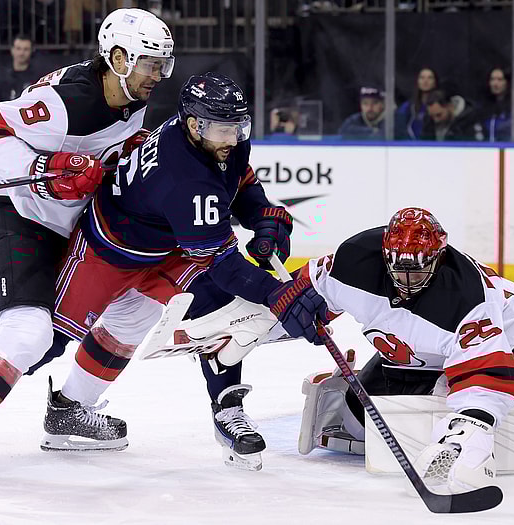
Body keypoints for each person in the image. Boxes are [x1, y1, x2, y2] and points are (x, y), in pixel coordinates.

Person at [0, 7, 174, 486]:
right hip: (14, 218)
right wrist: (49, 170)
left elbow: (115, 141)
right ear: (118, 57)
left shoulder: (127, 93)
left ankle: (56, 411)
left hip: (65, 226)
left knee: (87, 323)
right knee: (28, 331)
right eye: (150, 63)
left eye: (163, 64)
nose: (158, 75)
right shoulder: (68, 101)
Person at [43, 72, 329, 472]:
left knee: (215, 306)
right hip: (106, 249)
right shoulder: (183, 179)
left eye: (238, 127)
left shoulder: (216, 142)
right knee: (40, 339)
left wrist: (262, 216)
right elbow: (227, 266)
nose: (233, 138)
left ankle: (227, 410)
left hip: (165, 244)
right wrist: (281, 295)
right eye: (222, 129)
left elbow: (238, 181)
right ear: (194, 125)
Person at [297, 207, 514, 494]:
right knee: (359, 422)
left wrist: (472, 425)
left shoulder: (468, 299)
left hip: (503, 335)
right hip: (420, 347)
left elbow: (487, 376)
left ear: (439, 257)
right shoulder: (355, 261)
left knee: (448, 411)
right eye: (400, 269)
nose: (408, 280)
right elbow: (297, 294)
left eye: (419, 269)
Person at [395, 67, 439, 140]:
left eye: (430, 78)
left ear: (435, 82)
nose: (425, 81)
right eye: (422, 78)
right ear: (417, 81)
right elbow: (399, 129)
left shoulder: (440, 107)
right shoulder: (408, 106)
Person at [0, 34, 41, 102]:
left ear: (32, 51)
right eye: (18, 48)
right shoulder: (2, 76)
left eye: (26, 49)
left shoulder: (37, 78)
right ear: (12, 49)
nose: (21, 53)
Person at [479, 67, 511, 142]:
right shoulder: (483, 106)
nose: (495, 83)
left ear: (507, 82)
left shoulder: (512, 106)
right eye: (492, 79)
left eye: (500, 79)